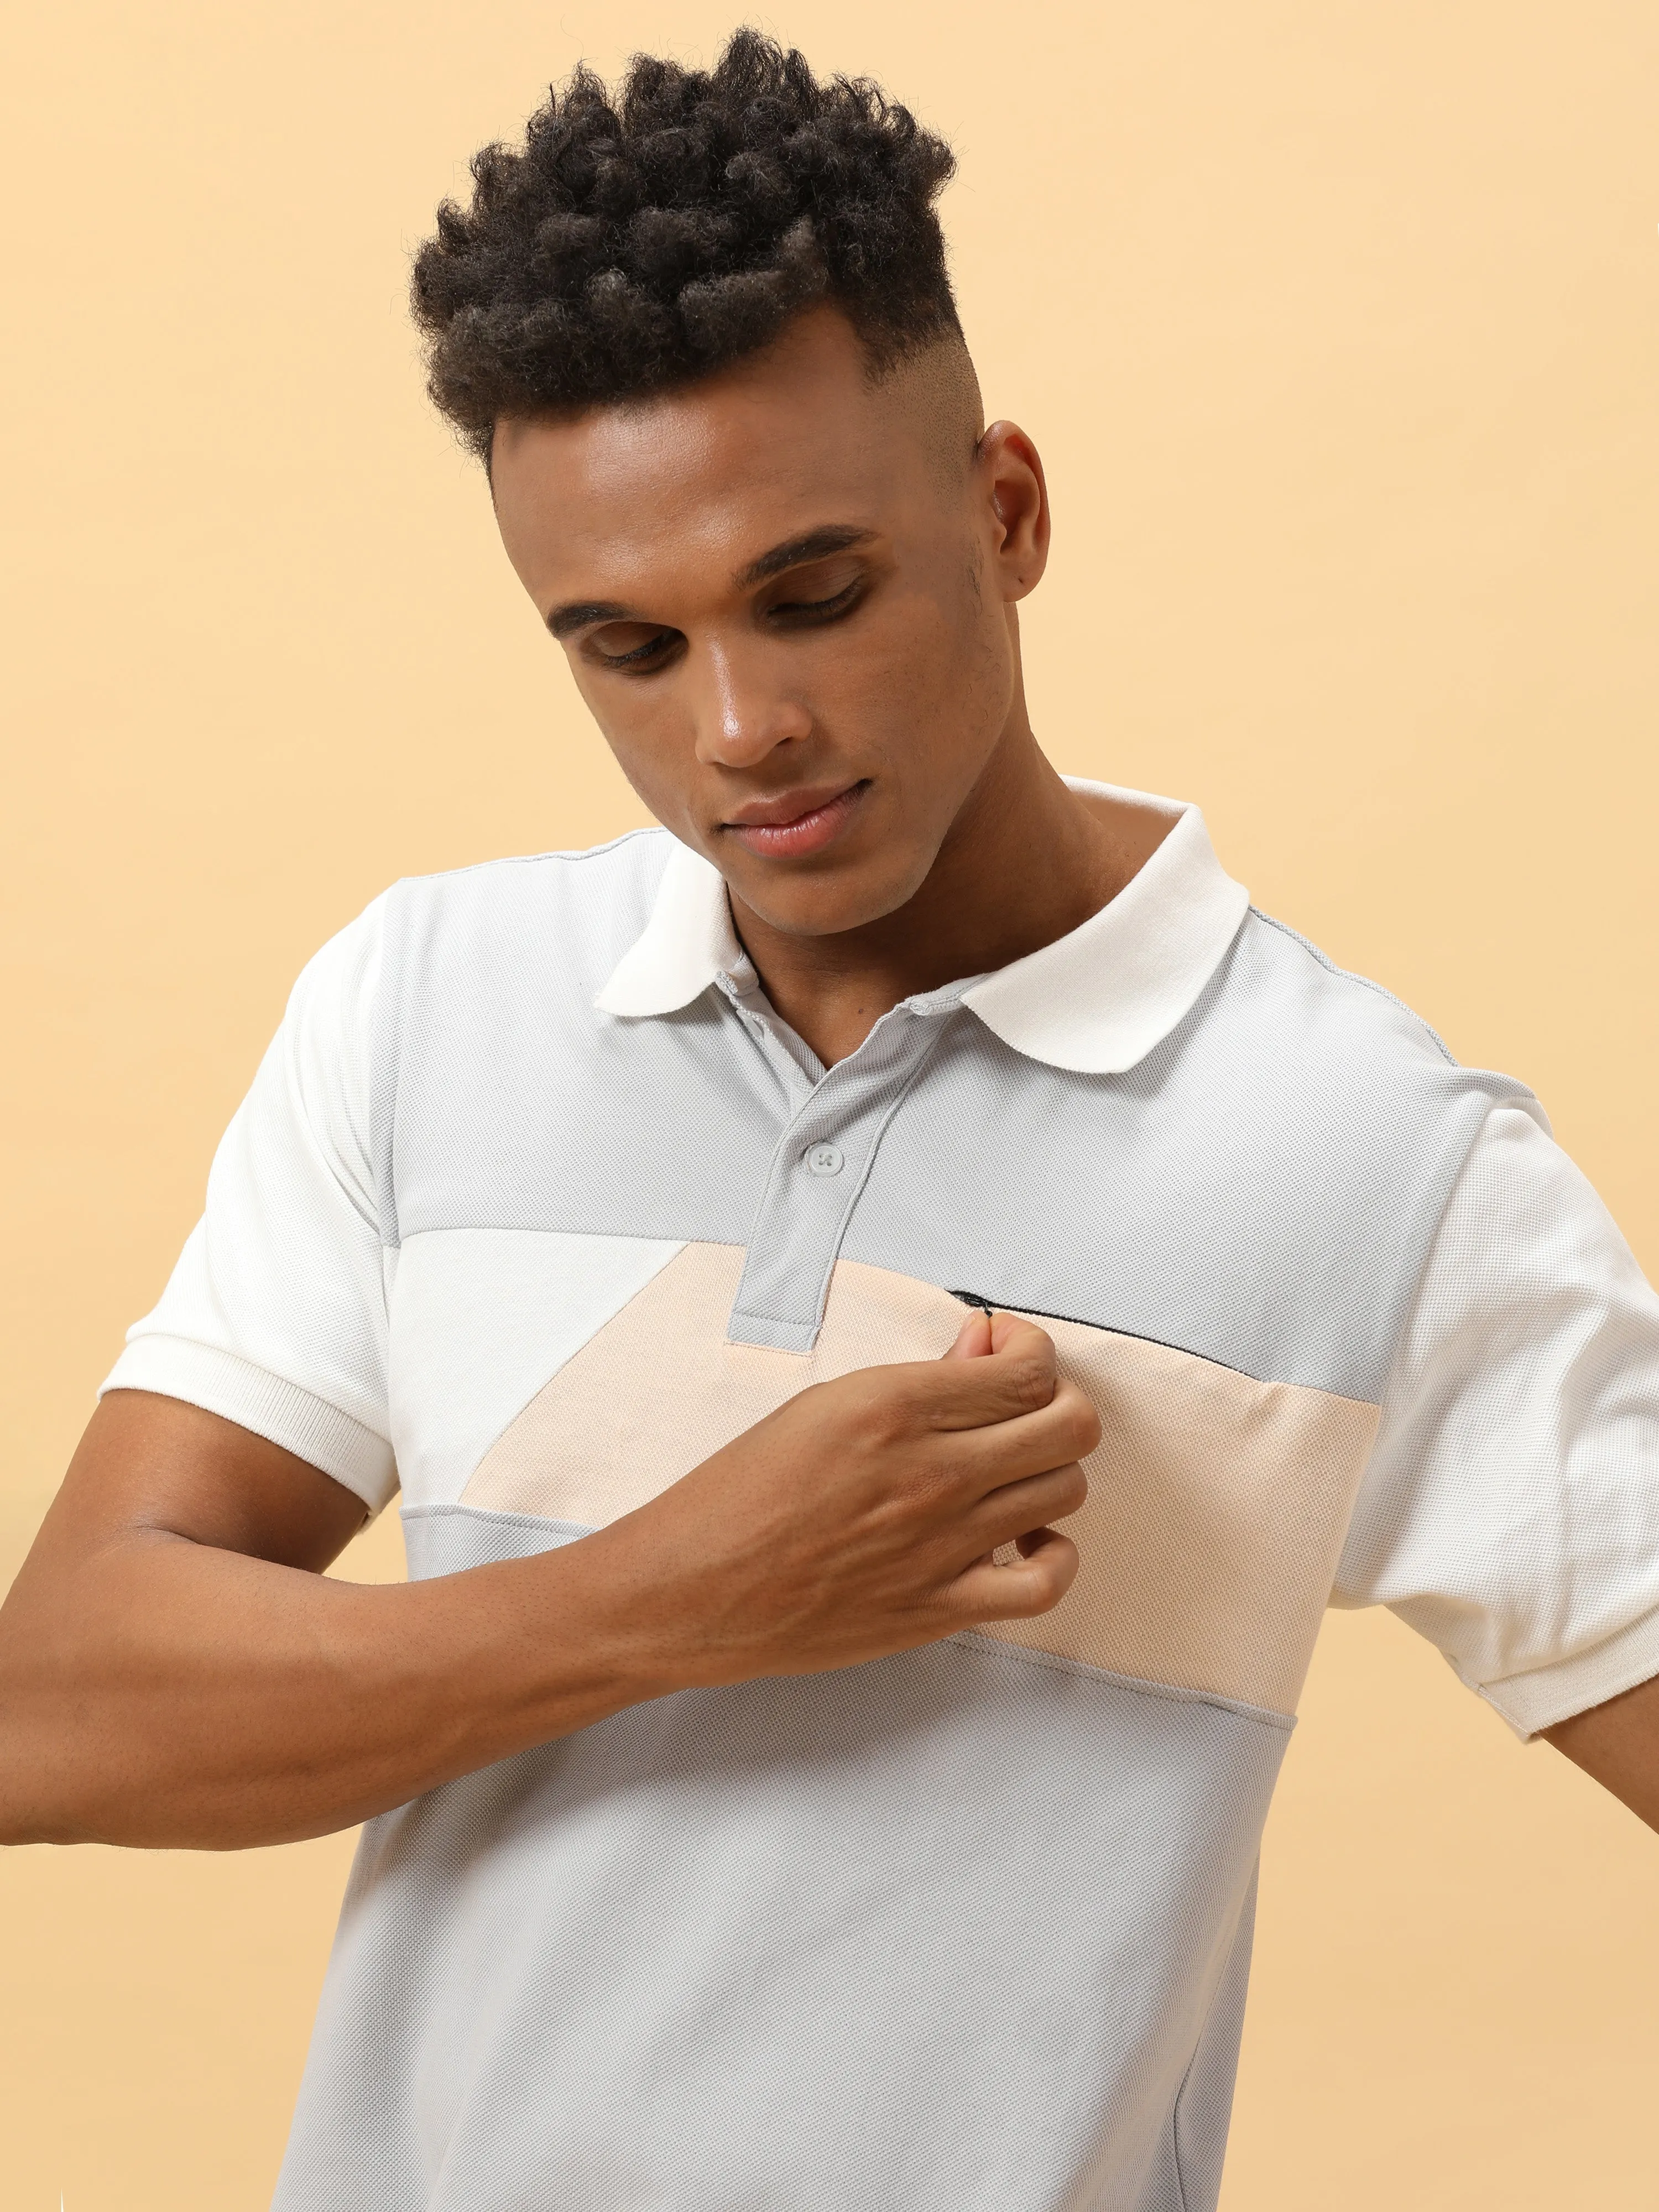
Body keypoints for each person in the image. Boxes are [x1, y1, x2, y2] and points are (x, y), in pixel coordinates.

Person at [2, 28, 1656, 2210]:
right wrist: (683, 1593)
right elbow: (54, 1711)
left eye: (814, 597)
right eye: (623, 645)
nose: (742, 732)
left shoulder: (1366, 1156)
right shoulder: (428, 1010)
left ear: (1009, 511)